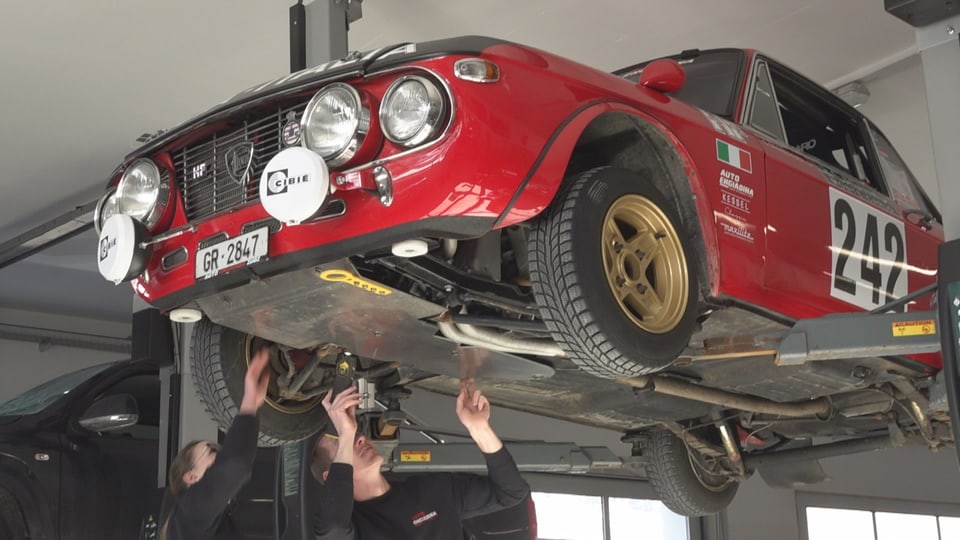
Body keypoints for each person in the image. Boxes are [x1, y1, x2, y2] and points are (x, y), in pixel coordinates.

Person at [311, 379, 530, 539]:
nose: (358, 437)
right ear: (331, 476)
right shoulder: (357, 528)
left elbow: (509, 492)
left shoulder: (433, 491)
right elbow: (332, 529)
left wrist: (480, 430)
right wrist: (480, 428)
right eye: (344, 442)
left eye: (354, 434)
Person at [158, 347, 271, 540]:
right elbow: (235, 464)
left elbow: (234, 464)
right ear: (191, 477)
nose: (220, 456)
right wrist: (249, 403)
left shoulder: (191, 515)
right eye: (211, 451)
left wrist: (250, 405)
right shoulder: (192, 514)